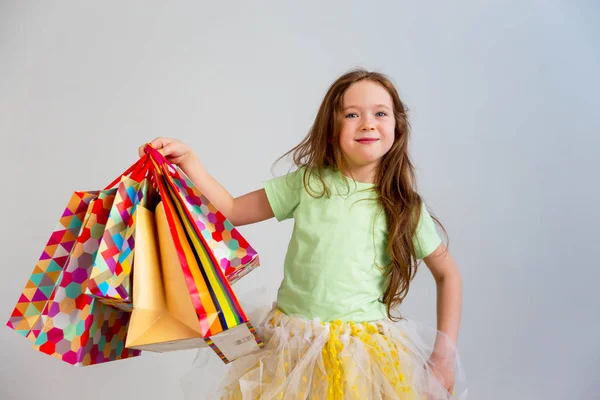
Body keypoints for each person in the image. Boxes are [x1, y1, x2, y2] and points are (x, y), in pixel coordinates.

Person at [139, 69, 466, 399]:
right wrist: (190, 162)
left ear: (397, 126)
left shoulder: (404, 206)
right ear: (331, 129)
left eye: (380, 113)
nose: (367, 123)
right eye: (352, 114)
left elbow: (448, 274)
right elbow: (232, 212)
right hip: (293, 347)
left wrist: (443, 358)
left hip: (362, 355)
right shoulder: (309, 183)